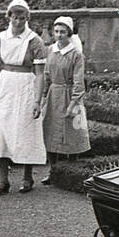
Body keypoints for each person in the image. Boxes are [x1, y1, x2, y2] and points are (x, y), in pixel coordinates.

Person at [0, 0, 47, 195]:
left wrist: (37, 100)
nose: (18, 22)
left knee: (25, 130)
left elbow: (40, 74)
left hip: (25, 87)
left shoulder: (34, 41)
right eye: (15, 18)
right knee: (0, 132)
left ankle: (27, 177)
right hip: (4, 87)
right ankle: (3, 181)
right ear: (9, 17)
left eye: (22, 18)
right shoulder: (0, 39)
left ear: (27, 18)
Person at [41, 15, 90, 160]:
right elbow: (46, 75)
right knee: (51, 131)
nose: (59, 35)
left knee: (72, 131)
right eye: (56, 31)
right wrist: (43, 96)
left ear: (69, 33)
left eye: (62, 32)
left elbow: (78, 81)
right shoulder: (51, 50)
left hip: (69, 95)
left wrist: (73, 103)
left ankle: (72, 166)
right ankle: (53, 168)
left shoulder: (76, 54)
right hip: (53, 96)